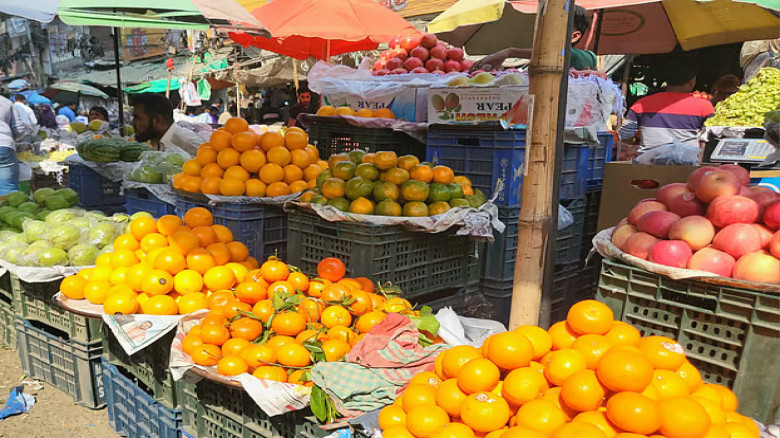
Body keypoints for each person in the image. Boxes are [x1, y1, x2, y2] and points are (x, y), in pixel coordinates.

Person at [618, 65, 715, 154]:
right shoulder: (704, 106)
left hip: (648, 164)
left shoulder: (641, 104)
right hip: (687, 163)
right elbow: (712, 136)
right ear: (692, 82)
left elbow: (625, 135)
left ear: (667, 82)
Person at [472, 5, 597, 72]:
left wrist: (509, 52)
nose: (544, 32)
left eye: (553, 27)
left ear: (574, 36)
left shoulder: (582, 56)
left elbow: (555, 54)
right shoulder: (588, 56)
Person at [131, 93, 204, 156]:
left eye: (137, 118)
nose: (133, 123)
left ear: (157, 120)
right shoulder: (159, 143)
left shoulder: (188, 144)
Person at [0, 96, 26, 195]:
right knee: (7, 190)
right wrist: (13, 140)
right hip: (3, 144)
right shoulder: (6, 102)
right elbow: (19, 130)